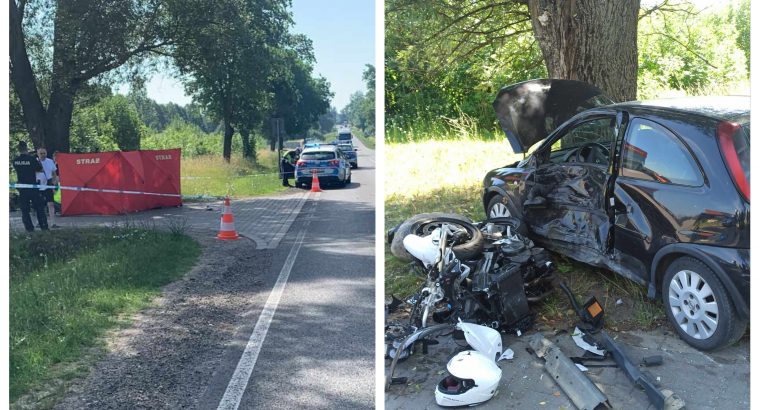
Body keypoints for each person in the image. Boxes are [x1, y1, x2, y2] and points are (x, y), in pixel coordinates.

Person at [12, 141, 48, 231]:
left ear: (18, 149)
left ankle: (29, 228)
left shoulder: (15, 161)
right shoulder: (32, 159)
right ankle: (44, 226)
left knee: (25, 210)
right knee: (39, 208)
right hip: (33, 187)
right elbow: (40, 169)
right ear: (26, 148)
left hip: (22, 188)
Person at [36, 147, 59, 228]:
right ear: (37, 154)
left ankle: (53, 223)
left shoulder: (50, 161)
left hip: (48, 185)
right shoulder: (35, 162)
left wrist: (54, 184)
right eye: (41, 153)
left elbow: (54, 174)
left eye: (44, 153)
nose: (43, 155)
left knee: (51, 204)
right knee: (40, 205)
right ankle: (39, 221)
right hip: (38, 186)